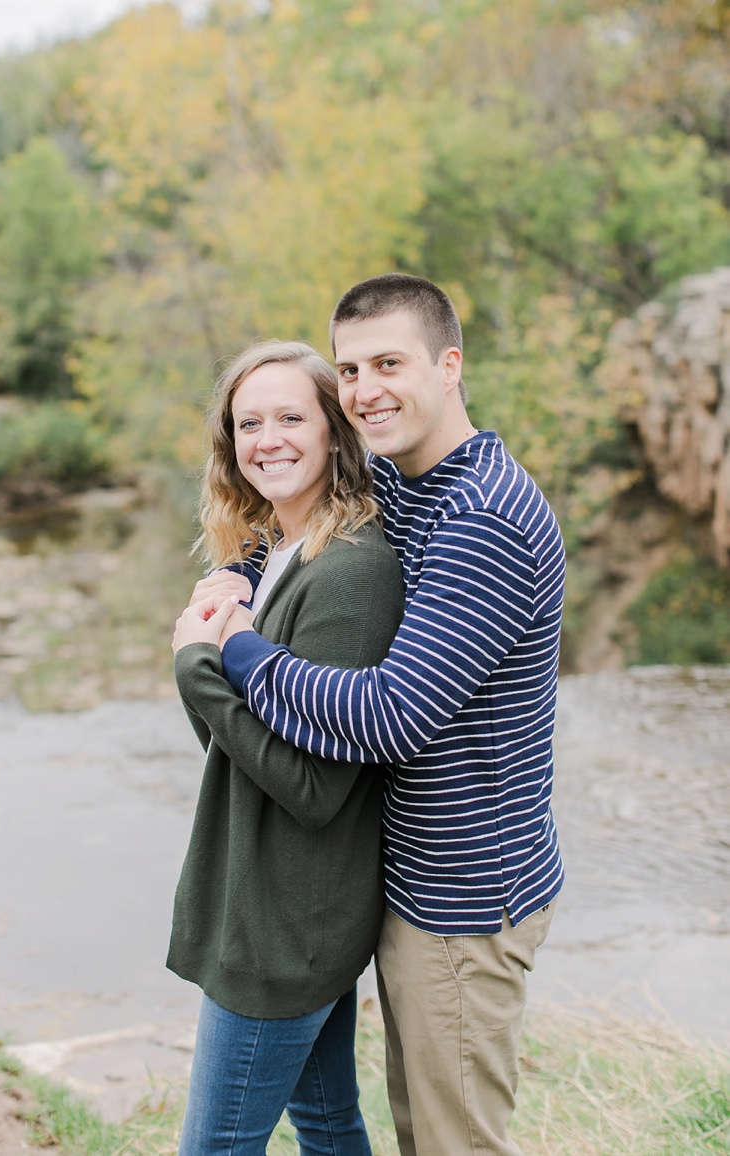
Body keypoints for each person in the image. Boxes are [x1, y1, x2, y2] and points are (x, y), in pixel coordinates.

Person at [201, 275, 566, 1156]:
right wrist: (237, 578)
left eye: (389, 363)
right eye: (350, 368)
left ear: (449, 365)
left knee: (451, 1144)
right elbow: (311, 522)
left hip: (465, 900)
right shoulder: (415, 484)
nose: (366, 390)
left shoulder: (484, 517)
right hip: (409, 880)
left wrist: (235, 651)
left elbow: (391, 716)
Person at [168, 339, 404, 1155]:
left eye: (290, 417)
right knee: (329, 1124)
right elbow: (228, 747)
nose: (267, 439)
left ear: (335, 432)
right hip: (279, 909)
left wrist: (197, 664)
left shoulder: (348, 573)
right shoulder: (273, 555)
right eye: (248, 423)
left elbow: (314, 789)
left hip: (285, 925)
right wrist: (208, 649)